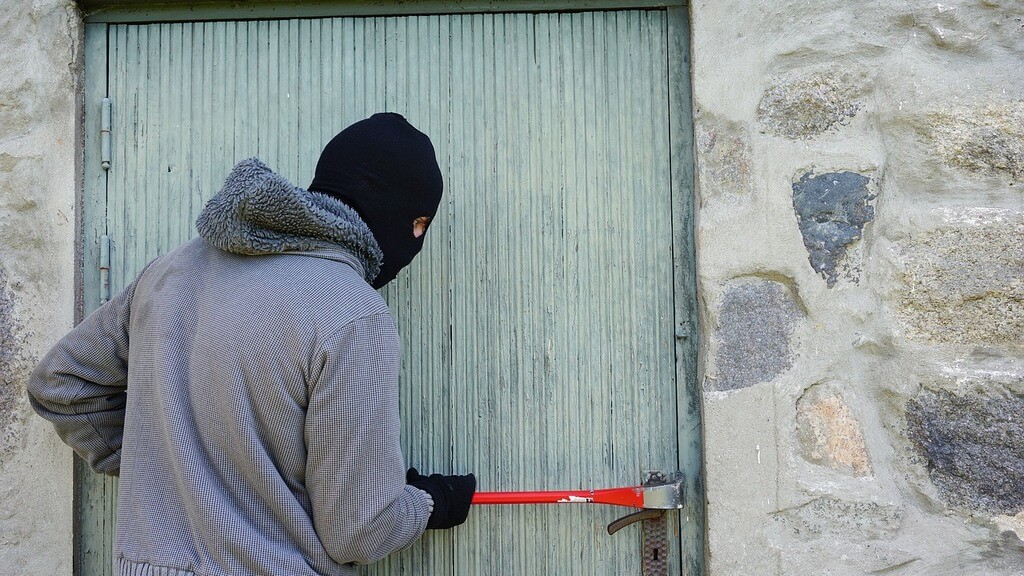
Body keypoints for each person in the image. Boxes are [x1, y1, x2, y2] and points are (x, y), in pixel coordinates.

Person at [27, 113, 475, 576]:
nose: (417, 238)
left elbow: (61, 386)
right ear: (385, 205)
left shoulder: (170, 273)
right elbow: (358, 530)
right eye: (419, 221)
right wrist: (432, 503)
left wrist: (174, 464)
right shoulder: (353, 313)